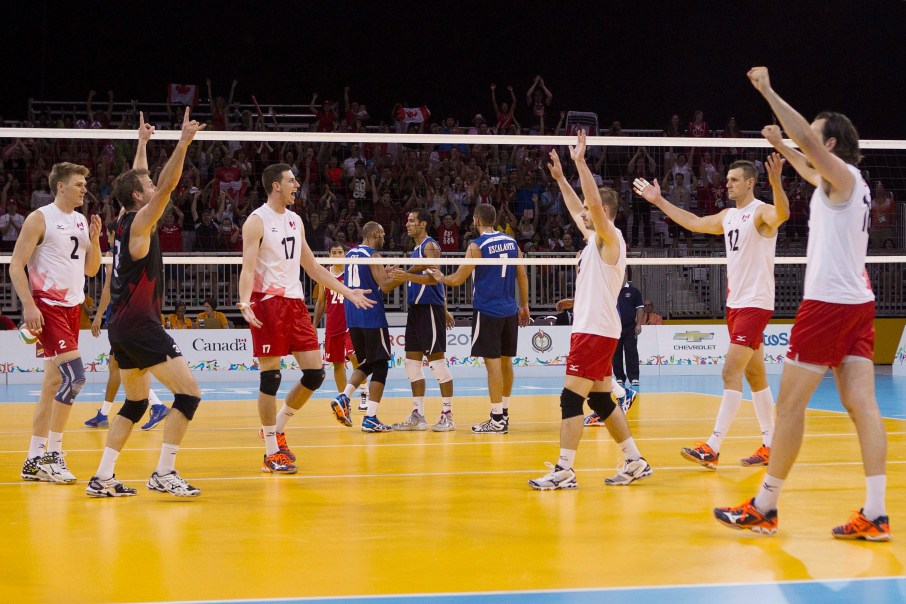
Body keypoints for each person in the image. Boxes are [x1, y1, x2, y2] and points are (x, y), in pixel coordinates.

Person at [713, 67, 889, 541]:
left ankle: (765, 506)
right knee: (863, 406)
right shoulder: (849, 183)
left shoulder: (845, 177)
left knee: (789, 407)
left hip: (828, 305)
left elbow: (813, 156)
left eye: (814, 134)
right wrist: (783, 149)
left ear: (830, 143)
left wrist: (768, 92)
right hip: (858, 303)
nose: (807, 138)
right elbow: (810, 166)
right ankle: (876, 513)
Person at [636, 152, 789, 470]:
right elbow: (692, 222)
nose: (727, 185)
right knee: (755, 375)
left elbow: (783, 214)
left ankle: (713, 445)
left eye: (734, 180)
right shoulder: (728, 217)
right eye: (727, 180)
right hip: (735, 304)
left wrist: (776, 183)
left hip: (754, 304)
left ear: (750, 182)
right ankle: (772, 445)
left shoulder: (761, 213)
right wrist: (658, 200)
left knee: (729, 372)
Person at [85, 109, 204, 498]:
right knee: (188, 395)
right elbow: (165, 187)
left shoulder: (123, 217)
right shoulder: (139, 224)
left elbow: (136, 183)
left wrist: (141, 144)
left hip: (121, 327)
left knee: (135, 404)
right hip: (140, 325)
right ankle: (164, 473)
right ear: (139, 197)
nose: (153, 184)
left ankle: (103, 477)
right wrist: (183, 143)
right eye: (147, 184)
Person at [527, 133, 652, 490]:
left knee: (570, 398)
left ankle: (564, 469)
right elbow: (577, 208)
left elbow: (592, 207)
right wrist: (562, 179)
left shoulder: (611, 239)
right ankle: (635, 461)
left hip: (596, 330)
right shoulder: (592, 243)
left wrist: (580, 163)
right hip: (593, 328)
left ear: (604, 213)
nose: (582, 212)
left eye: (590, 208)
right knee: (599, 398)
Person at [238, 163, 374, 473]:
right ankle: (271, 450)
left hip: (295, 304)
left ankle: (278, 428)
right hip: (268, 302)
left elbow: (312, 268)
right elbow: (247, 268)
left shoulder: (296, 220)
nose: (296, 184)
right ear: (276, 186)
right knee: (270, 376)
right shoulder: (256, 221)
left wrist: (349, 291)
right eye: (291, 180)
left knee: (315, 373)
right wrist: (244, 301)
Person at [11, 162, 102, 483]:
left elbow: (92, 270)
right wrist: (28, 306)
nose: (84, 189)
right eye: (79, 184)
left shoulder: (79, 220)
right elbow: (16, 264)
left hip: (72, 308)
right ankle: (53, 455)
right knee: (75, 378)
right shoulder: (40, 218)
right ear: (60, 186)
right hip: (47, 306)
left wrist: (96, 237)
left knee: (51, 387)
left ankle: (33, 460)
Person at [428, 204, 529, 434]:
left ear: (475, 220)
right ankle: (504, 413)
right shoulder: (512, 242)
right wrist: (524, 305)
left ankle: (496, 419)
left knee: (492, 364)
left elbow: (458, 279)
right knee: (506, 362)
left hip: (488, 310)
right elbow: (522, 274)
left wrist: (440, 276)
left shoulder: (477, 245)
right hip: (509, 309)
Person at [85, 226, 169, 431]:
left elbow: (107, 287)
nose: (111, 237)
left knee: (123, 366)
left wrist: (98, 317)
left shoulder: (119, 254)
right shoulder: (120, 253)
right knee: (119, 366)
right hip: (123, 315)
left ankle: (156, 405)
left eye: (111, 234)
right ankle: (105, 413)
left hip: (125, 317)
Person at [388, 210, 456, 432]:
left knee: (437, 363)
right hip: (416, 310)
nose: (407, 224)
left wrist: (405, 276)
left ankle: (448, 415)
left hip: (429, 309)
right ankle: (418, 414)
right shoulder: (416, 250)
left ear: (423, 223)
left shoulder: (431, 246)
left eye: (411, 221)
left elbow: (434, 279)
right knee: (411, 364)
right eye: (407, 220)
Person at [330, 222, 399, 433]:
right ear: (375, 234)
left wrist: (383, 273)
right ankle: (370, 417)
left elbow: (371, 278)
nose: (385, 237)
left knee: (369, 362)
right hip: (371, 315)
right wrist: (402, 276)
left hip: (353, 317)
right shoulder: (373, 255)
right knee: (381, 365)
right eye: (383, 234)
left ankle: (344, 396)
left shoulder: (350, 255)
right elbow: (385, 286)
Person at [554, 296, 639, 417]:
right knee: (595, 369)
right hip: (595, 326)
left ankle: (608, 403)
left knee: (586, 370)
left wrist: (575, 301)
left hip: (600, 327)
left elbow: (598, 292)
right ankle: (619, 396)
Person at [312, 242, 368, 412]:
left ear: (345, 254)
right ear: (329, 254)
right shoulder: (325, 274)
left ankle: (365, 393)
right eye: (333, 252)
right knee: (337, 365)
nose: (336, 255)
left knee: (355, 359)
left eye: (339, 252)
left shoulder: (351, 272)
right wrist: (313, 325)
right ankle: (344, 401)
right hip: (333, 325)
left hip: (351, 323)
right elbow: (321, 302)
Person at [612, 269, 644, 389]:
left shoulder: (633, 291)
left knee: (632, 352)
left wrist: (639, 324)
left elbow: (640, 308)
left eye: (622, 274)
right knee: (616, 354)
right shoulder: (611, 291)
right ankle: (619, 378)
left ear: (625, 275)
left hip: (630, 328)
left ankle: (634, 378)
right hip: (614, 328)